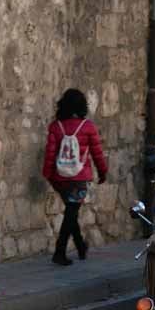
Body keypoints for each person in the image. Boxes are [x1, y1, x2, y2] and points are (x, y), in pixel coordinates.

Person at [41, 89, 108, 266]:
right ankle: (59, 251)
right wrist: (102, 172)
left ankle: (80, 246)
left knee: (71, 210)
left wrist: (48, 174)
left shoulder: (56, 127)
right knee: (72, 211)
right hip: (79, 178)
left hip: (59, 178)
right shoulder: (88, 127)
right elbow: (97, 153)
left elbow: (50, 153)